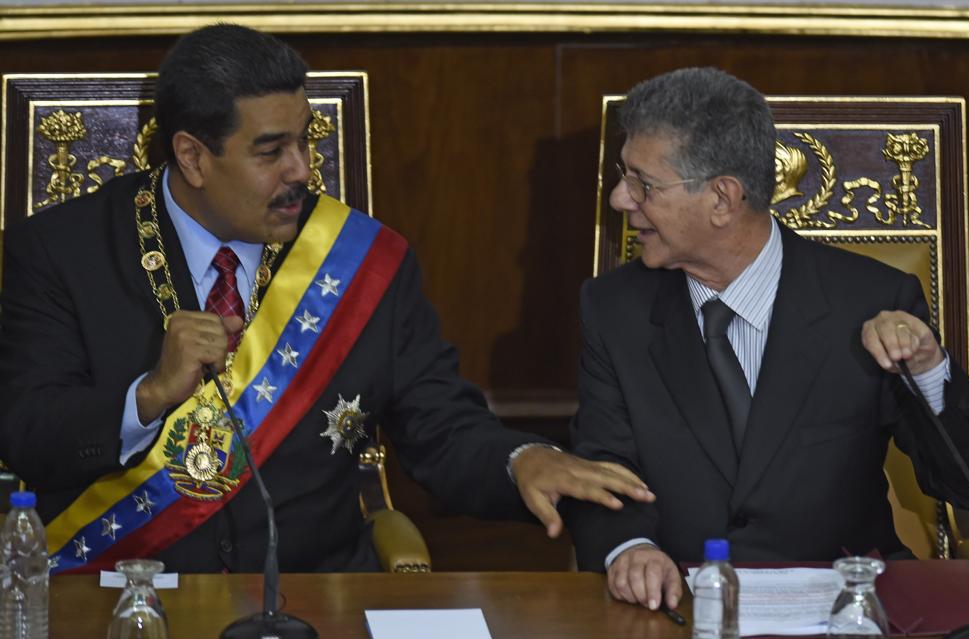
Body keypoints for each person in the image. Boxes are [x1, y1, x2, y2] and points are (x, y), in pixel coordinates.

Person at [0, 23, 653, 574]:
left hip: (316, 600)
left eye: (304, 141)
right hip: (123, 595)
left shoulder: (363, 261)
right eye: (270, 150)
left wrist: (522, 459)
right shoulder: (61, 253)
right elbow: (28, 435)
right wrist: (147, 395)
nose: (301, 172)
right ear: (193, 158)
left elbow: (440, 427)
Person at [564, 67, 969, 612]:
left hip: (850, 610)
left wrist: (929, 370)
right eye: (623, 176)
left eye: (643, 184)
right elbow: (599, 466)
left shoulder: (871, 301)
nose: (619, 199)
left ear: (722, 199)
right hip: (677, 608)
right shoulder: (614, 309)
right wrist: (630, 548)